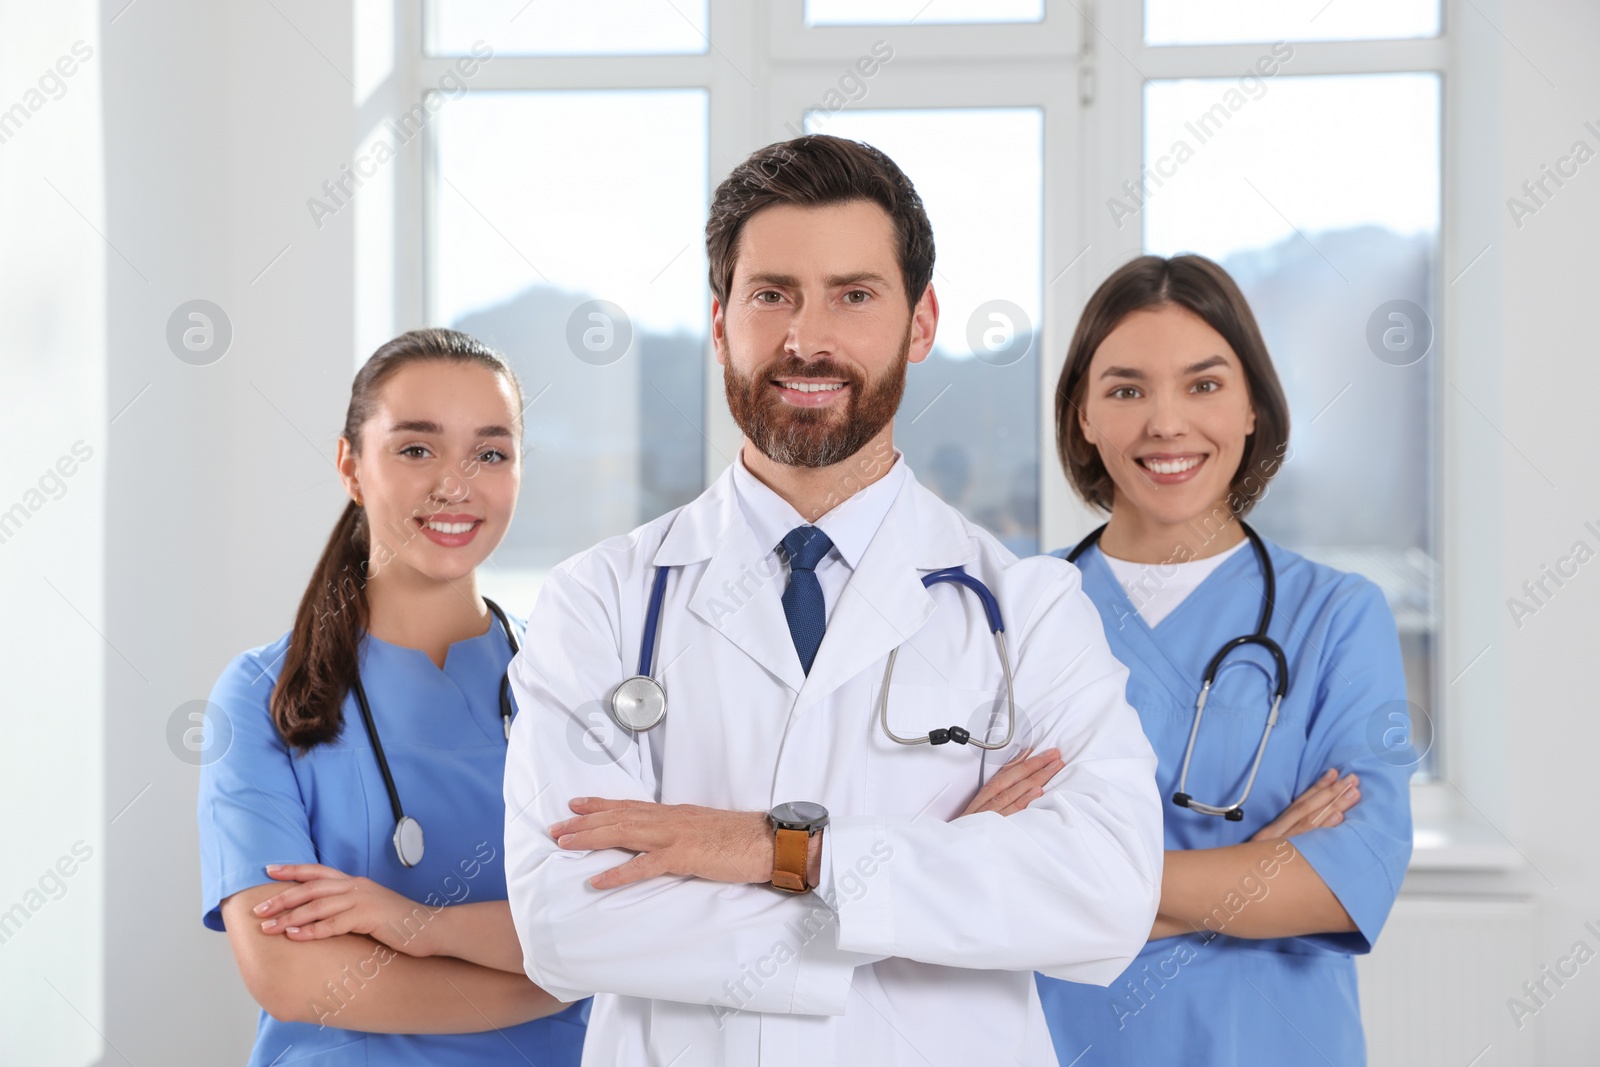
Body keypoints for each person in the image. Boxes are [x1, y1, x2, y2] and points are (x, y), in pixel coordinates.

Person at [501, 134, 1165, 1067]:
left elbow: (1103, 893)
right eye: (772, 294)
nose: (806, 339)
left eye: (854, 296)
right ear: (721, 318)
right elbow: (566, 926)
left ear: (921, 322)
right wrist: (919, 873)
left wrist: (774, 850)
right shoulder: (600, 601)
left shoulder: (1033, 610)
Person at [1036, 255, 1414, 1065]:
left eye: (1203, 384)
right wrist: (1254, 868)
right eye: (1127, 389)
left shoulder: (1337, 616)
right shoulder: (1018, 612)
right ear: (1082, 417)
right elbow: (963, 867)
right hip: (1060, 1041)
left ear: (1253, 408)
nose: (1166, 423)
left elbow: (1348, 879)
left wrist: (1067, 879)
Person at [197, 329, 589, 1066]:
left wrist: (416, 924)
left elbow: (618, 920)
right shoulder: (261, 696)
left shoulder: (571, 680)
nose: (456, 482)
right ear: (350, 464)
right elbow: (291, 974)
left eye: (491, 453)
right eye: (417, 448)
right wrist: (551, 985)